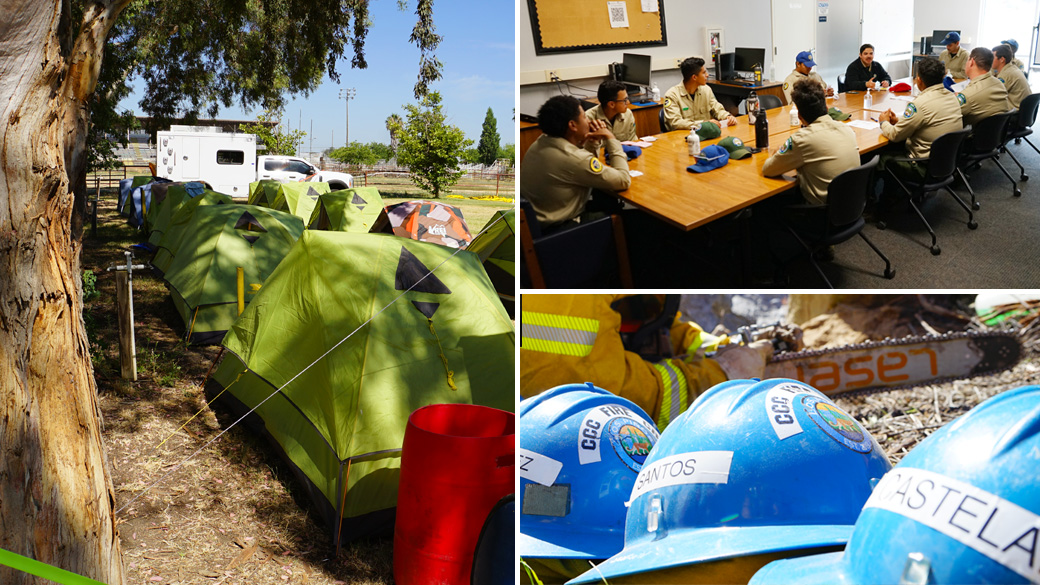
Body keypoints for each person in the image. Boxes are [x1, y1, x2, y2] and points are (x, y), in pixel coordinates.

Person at [519, 294, 775, 430]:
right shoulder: (567, 304)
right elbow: (614, 401)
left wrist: (716, 347)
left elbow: (648, 319)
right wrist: (723, 374)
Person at [520, 95, 631, 229]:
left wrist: (593, 143)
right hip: (562, 229)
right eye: (584, 117)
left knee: (605, 199)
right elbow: (623, 180)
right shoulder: (573, 158)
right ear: (572, 125)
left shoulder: (542, 141)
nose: (588, 120)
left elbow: (582, 168)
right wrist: (611, 138)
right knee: (628, 219)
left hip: (536, 223)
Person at [761, 79, 859, 205]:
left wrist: (777, 153)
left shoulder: (802, 139)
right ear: (827, 108)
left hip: (820, 213)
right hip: (851, 206)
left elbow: (768, 169)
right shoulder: (847, 129)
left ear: (800, 117)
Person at [877, 57, 962, 182]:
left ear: (919, 80)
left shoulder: (919, 104)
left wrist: (883, 122)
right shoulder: (952, 97)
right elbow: (929, 120)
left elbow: (895, 135)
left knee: (880, 157)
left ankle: (883, 198)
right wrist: (900, 120)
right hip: (946, 162)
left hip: (923, 167)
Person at [662, 57, 737, 131]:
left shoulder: (706, 90)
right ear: (694, 77)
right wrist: (702, 124)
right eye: (704, 73)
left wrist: (727, 116)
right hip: (683, 136)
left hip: (706, 133)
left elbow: (717, 109)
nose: (707, 75)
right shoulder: (672, 95)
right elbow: (675, 123)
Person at [956, 47, 1011, 127]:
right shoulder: (998, 83)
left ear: (971, 62)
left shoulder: (968, 96)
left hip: (973, 137)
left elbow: (948, 113)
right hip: (996, 135)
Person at [583, 80, 638, 156]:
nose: (628, 102)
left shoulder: (628, 114)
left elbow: (633, 142)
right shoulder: (588, 119)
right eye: (624, 100)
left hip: (623, 157)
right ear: (611, 104)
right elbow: (584, 151)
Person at [992, 44, 1030, 109]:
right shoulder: (1012, 68)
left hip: (1014, 113)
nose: (990, 60)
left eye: (992, 57)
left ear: (1002, 59)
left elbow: (994, 95)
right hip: (1022, 110)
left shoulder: (1006, 74)